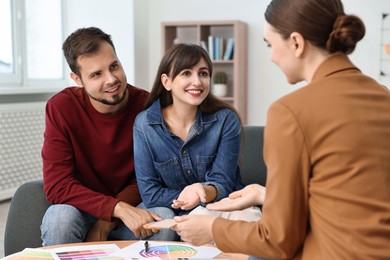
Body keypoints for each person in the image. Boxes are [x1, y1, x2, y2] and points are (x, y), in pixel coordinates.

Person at [172, 0, 390, 259]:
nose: (272, 56)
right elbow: (350, 197)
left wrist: (213, 229)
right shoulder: (383, 97)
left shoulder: (290, 111)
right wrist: (264, 194)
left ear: (296, 43)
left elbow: (278, 240)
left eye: (269, 44)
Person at [40, 27, 176, 246]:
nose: (111, 79)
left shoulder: (147, 106)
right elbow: (58, 185)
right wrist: (114, 209)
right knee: (59, 219)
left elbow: (151, 177)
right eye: (96, 74)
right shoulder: (61, 107)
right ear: (78, 79)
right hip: (83, 208)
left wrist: (106, 222)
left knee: (164, 218)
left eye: (114, 66)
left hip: (132, 207)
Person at [133, 43, 261, 231]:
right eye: (186, 73)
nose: (197, 82)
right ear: (166, 81)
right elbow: (150, 193)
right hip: (176, 211)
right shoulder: (145, 125)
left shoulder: (225, 119)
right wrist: (187, 198)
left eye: (203, 73)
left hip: (224, 206)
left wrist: (201, 192)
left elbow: (223, 182)